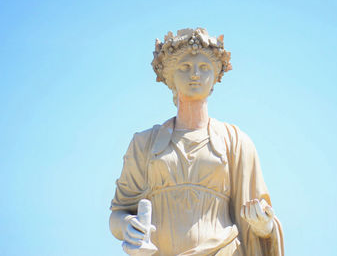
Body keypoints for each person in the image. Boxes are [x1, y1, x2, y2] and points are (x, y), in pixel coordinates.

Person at [109, 28, 284, 255]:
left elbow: (261, 220)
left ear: (214, 78)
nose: (195, 74)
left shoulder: (237, 143)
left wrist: (264, 225)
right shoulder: (144, 144)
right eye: (185, 67)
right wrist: (126, 226)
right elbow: (119, 212)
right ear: (170, 77)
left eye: (204, 68)